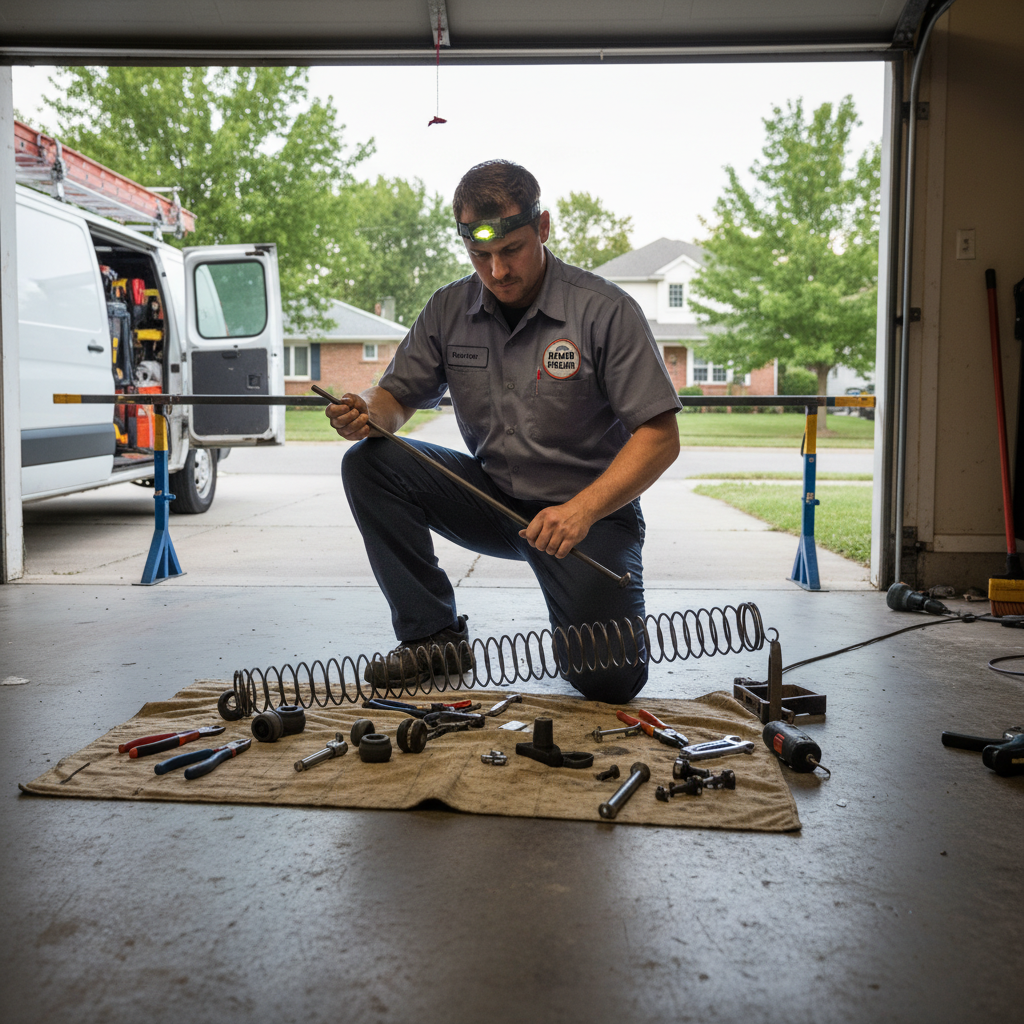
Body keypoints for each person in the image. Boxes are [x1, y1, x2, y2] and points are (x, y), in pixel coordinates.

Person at [328, 160, 681, 704]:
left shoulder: (605, 311)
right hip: (492, 500)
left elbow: (660, 437)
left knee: (608, 682)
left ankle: (583, 614)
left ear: (542, 228)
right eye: (479, 255)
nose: (496, 271)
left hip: (589, 516)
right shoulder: (448, 309)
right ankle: (433, 637)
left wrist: (582, 511)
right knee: (371, 463)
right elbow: (396, 397)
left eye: (511, 249)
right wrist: (367, 410)